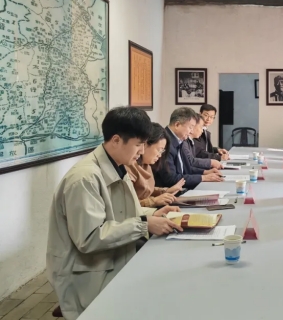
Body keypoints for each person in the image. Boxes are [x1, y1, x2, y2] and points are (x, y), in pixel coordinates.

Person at [46, 107, 182, 320]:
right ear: (116, 140)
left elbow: (124, 212)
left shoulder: (118, 166)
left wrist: (154, 214)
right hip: (87, 272)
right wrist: (145, 223)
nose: (141, 151)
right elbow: (90, 237)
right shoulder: (84, 178)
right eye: (138, 144)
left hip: (112, 258)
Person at [154, 107, 224, 189]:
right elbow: (171, 179)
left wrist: (205, 172)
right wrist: (203, 178)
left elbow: (186, 168)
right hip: (171, 192)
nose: (191, 131)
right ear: (177, 125)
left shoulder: (179, 139)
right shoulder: (165, 143)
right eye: (190, 127)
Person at [126, 123, 185, 207]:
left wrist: (166, 191)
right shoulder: (129, 166)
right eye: (159, 150)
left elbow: (147, 190)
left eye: (162, 151)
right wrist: (154, 201)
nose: (159, 155)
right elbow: (129, 205)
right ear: (145, 144)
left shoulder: (146, 165)